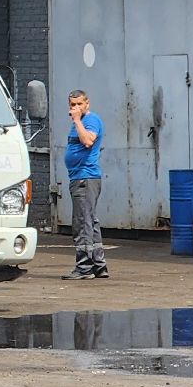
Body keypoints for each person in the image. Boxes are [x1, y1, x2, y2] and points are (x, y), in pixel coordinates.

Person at [63, 89, 109, 279]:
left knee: (82, 222)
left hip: (85, 178)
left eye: (79, 104)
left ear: (87, 104)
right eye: (72, 105)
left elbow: (88, 141)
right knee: (90, 221)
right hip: (79, 177)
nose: (76, 108)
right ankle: (99, 265)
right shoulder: (81, 122)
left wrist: (76, 120)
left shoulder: (90, 120)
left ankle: (84, 267)